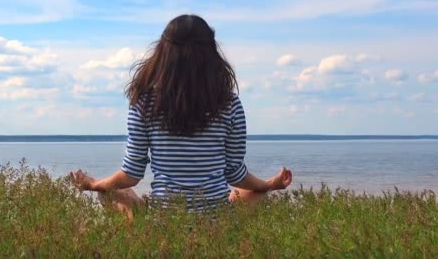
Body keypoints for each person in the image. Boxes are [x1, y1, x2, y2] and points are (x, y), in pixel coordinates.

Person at [70, 14, 293, 217]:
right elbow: (236, 175)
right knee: (249, 193)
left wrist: (94, 185)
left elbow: (131, 175)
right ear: (211, 55)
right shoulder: (229, 103)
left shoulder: (144, 103)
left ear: (163, 54)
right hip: (218, 224)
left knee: (113, 191)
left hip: (164, 222)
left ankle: (139, 237)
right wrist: (269, 185)